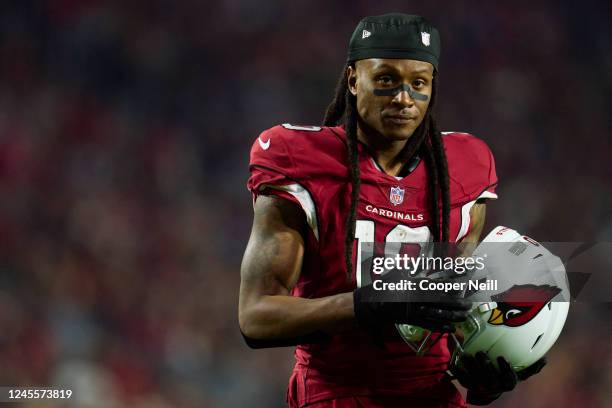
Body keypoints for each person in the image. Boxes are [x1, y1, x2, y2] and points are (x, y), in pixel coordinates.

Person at [239, 13, 544, 407]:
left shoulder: (467, 165)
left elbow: (457, 313)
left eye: (418, 83)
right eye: (385, 80)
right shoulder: (297, 157)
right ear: (353, 80)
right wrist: (377, 302)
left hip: (433, 396)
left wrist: (484, 374)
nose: (403, 98)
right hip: (335, 393)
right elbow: (256, 317)